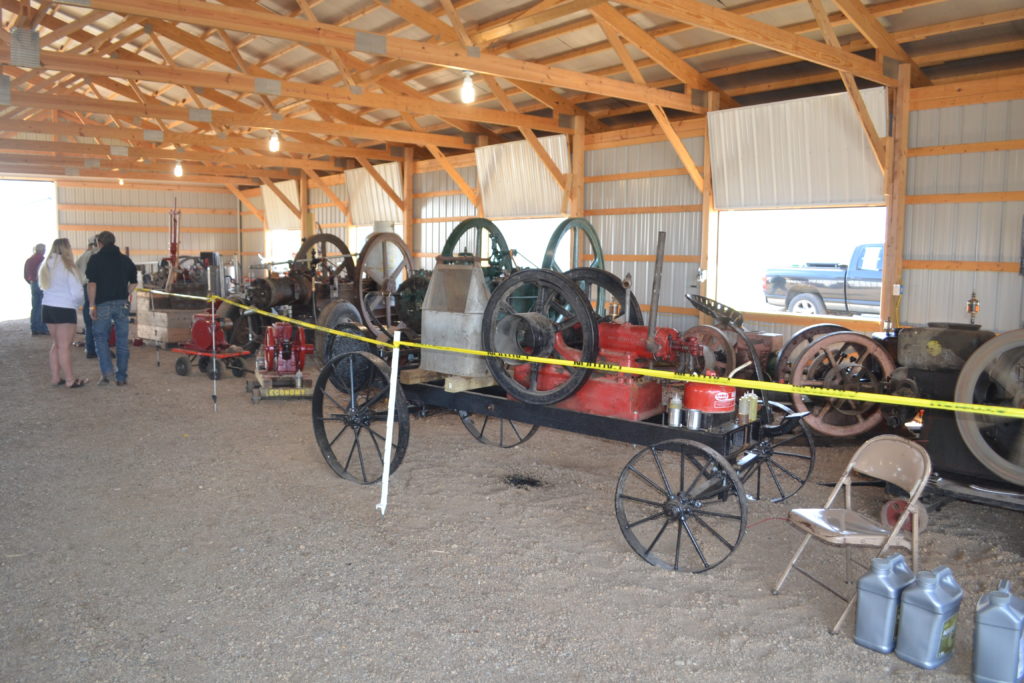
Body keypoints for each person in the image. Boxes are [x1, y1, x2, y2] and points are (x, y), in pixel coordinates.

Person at [86, 231, 137, 386]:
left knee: (101, 338)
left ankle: (107, 373)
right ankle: (121, 377)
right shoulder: (125, 260)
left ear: (100, 243)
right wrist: (124, 293)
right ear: (113, 242)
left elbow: (92, 284)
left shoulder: (95, 259)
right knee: (122, 341)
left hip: (102, 304)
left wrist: (92, 305)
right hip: (122, 303)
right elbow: (134, 282)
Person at [39, 238, 88, 388]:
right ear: (67, 249)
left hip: (47, 307)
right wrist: (78, 304)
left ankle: (55, 377)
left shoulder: (45, 265)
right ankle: (70, 379)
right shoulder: (69, 267)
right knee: (65, 346)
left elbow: (42, 286)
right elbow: (77, 292)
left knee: (56, 344)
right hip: (64, 308)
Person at [75, 236, 100, 359]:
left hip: (85, 287)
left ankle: (90, 349)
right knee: (99, 318)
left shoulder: (82, 256)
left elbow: (75, 269)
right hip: (95, 287)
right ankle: (99, 349)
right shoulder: (96, 254)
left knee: (89, 319)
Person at [24, 243, 48, 335]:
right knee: (43, 307)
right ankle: (43, 328)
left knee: (35, 307)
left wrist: (31, 282)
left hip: (33, 284)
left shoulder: (29, 260)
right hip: (42, 284)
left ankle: (34, 328)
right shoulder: (43, 260)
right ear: (43, 250)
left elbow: (25, 275)